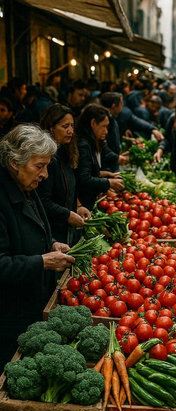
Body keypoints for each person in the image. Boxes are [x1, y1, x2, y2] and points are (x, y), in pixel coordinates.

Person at [0, 124, 75, 369]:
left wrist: (51, 243)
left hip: (30, 303)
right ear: (14, 162)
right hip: (8, 314)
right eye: (39, 166)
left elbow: (35, 228)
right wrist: (43, 261)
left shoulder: (26, 186)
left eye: (46, 166)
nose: (45, 175)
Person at [37, 104, 91, 245]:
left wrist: (78, 206)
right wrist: (67, 214)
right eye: (65, 126)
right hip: (52, 232)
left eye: (72, 126)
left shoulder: (66, 153)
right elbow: (43, 200)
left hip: (66, 230)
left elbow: (69, 187)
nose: (71, 131)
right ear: (51, 128)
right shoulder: (47, 161)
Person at [76, 104, 125, 210]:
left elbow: (87, 171)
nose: (106, 131)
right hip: (84, 204)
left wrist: (106, 175)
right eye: (104, 126)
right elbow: (84, 179)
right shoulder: (83, 145)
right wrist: (108, 183)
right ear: (93, 123)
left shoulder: (92, 141)